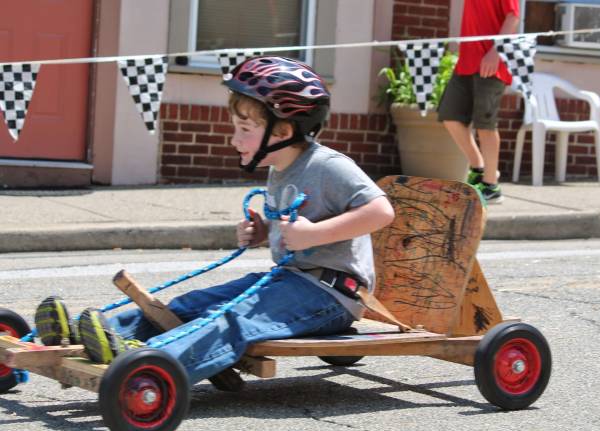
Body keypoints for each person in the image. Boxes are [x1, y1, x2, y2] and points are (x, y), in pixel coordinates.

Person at [33, 56, 395, 386]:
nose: (234, 138)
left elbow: (381, 212)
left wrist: (314, 234)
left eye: (244, 129)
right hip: (290, 280)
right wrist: (262, 233)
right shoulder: (281, 168)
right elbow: (294, 228)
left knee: (232, 319)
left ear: (283, 132)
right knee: (193, 304)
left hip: (330, 294)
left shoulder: (328, 165)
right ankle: (98, 333)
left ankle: (151, 363)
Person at [437, 0, 520, 203]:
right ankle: (478, 167)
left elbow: (513, 17)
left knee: (485, 124)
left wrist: (495, 53)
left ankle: (491, 186)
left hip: (492, 63)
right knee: (450, 115)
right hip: (466, 62)